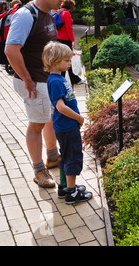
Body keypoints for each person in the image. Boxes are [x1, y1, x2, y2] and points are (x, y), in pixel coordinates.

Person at [5, 0, 69, 188]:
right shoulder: (26, 15)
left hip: (45, 79)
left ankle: (53, 157)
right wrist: (27, 79)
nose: (62, 0)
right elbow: (11, 50)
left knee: (49, 118)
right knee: (37, 124)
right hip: (32, 81)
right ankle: (39, 170)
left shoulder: (48, 14)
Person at [42, 41, 92, 204]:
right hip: (67, 125)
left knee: (65, 155)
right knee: (72, 157)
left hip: (64, 125)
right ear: (55, 61)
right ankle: (72, 193)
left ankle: (64, 187)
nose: (70, 63)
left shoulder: (57, 78)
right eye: (67, 61)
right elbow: (61, 106)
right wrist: (79, 118)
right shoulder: (56, 81)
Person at [55, 0, 83, 85]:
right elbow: (68, 29)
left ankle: (62, 79)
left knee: (62, 59)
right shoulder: (66, 13)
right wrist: (73, 40)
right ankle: (74, 79)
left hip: (58, 39)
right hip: (65, 40)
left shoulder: (59, 12)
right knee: (68, 59)